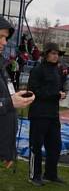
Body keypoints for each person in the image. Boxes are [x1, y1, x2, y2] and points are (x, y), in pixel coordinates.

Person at [27, 42, 66, 185]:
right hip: (39, 114)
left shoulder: (58, 71)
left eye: (58, 54)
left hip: (53, 115)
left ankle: (50, 174)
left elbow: (57, 90)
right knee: (36, 146)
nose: (56, 56)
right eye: (54, 53)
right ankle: (34, 175)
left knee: (55, 146)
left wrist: (61, 94)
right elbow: (33, 92)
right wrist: (55, 95)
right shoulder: (37, 70)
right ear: (46, 54)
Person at [0, 18, 35, 168]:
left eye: (5, 38)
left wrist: (8, 151)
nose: (4, 42)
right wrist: (9, 102)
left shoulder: (2, 65)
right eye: (0, 37)